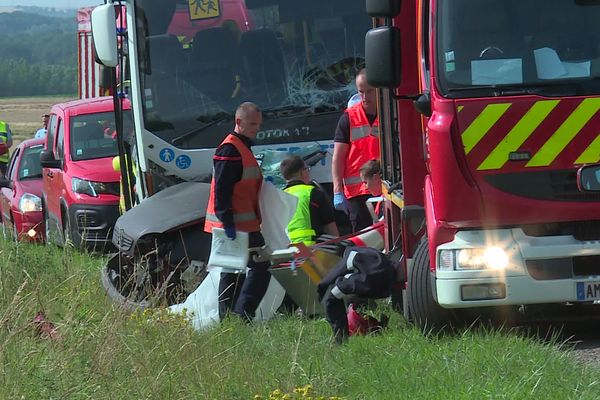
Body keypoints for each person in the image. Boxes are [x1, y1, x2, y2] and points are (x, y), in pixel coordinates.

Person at [204, 102, 271, 322]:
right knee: (259, 267)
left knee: (233, 271)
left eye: (259, 124)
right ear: (239, 122)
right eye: (252, 124)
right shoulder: (231, 149)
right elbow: (221, 189)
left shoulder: (240, 146)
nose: (257, 129)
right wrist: (227, 221)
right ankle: (242, 315)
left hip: (241, 224)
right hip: (235, 225)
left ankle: (231, 317)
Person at [332, 69, 380, 232]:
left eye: (370, 91)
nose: (365, 97)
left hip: (385, 188)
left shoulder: (391, 113)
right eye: (361, 92)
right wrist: (337, 190)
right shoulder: (349, 117)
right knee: (362, 237)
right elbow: (338, 157)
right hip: (357, 193)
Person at [279, 155, 339, 246]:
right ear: (301, 173)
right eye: (307, 169)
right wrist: (339, 247)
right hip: (312, 249)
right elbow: (330, 227)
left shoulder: (279, 197)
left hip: (285, 250)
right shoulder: (313, 193)